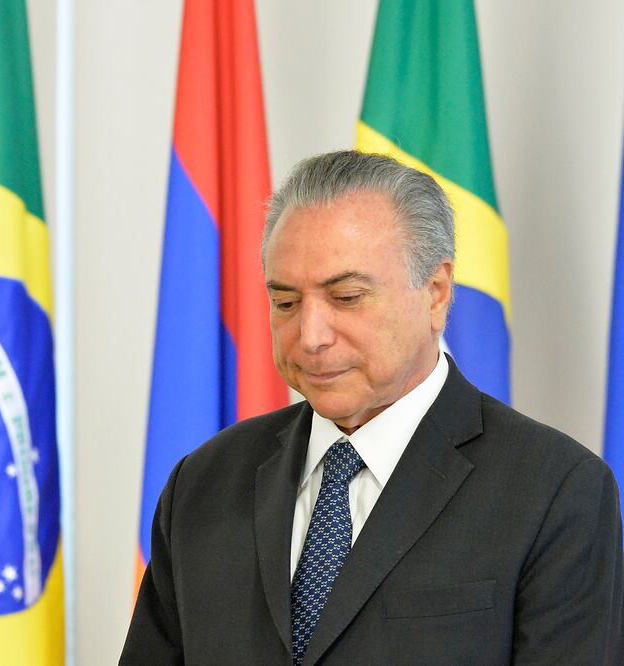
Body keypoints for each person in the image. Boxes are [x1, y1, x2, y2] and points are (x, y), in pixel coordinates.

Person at [121, 150, 624, 664]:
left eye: (346, 297)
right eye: (286, 303)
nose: (310, 337)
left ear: (435, 292)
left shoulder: (556, 490)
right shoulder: (202, 483)